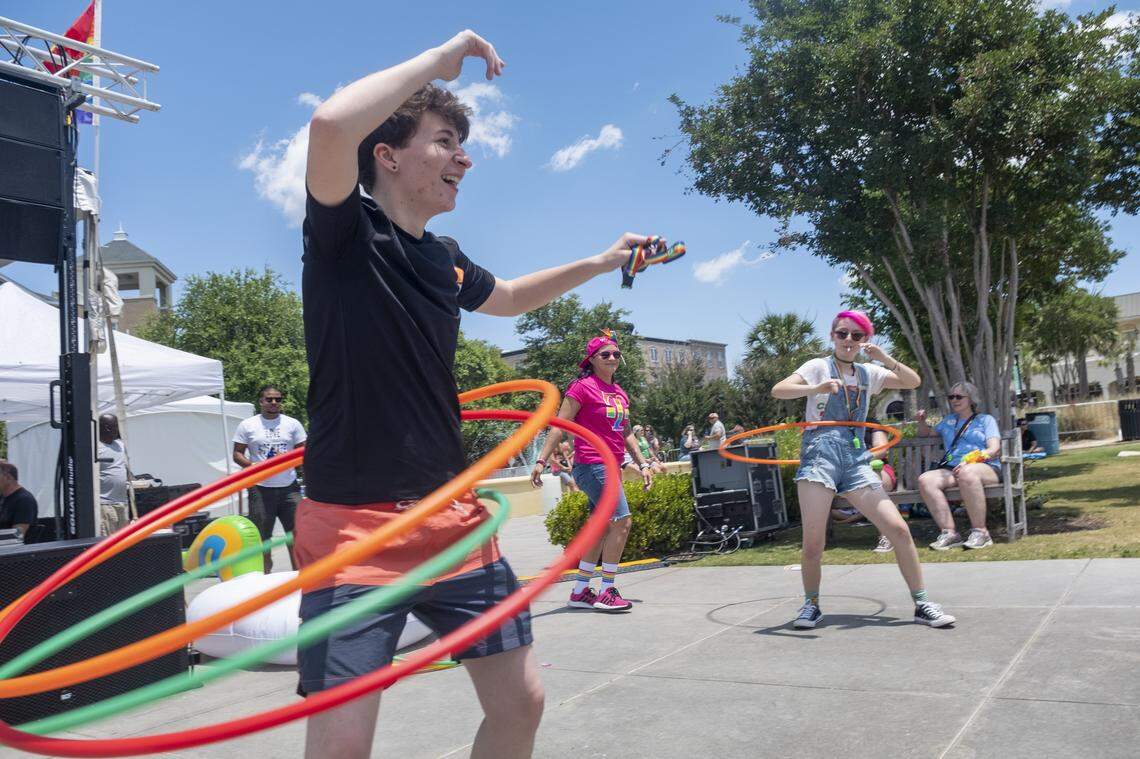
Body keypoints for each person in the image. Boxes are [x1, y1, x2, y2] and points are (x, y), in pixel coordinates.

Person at [296, 30, 663, 759]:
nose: (465, 156)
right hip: (352, 530)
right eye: (445, 139)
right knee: (341, 745)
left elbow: (517, 297)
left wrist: (601, 261)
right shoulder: (344, 235)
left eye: (465, 142)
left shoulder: (446, 259)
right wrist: (443, 58)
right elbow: (331, 126)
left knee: (522, 700)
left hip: (454, 520)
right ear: (388, 155)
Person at [771, 309, 955, 629]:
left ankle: (922, 603)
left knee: (898, 529)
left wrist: (884, 357)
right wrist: (815, 389)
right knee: (814, 543)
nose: (848, 341)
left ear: (864, 340)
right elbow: (779, 389)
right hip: (819, 455)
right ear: (832, 335)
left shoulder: (870, 373)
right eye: (842, 333)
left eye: (857, 336)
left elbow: (913, 381)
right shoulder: (817, 367)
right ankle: (811, 605)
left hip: (855, 458)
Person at [531, 333, 654, 614]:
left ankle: (580, 591)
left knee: (600, 529)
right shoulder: (582, 387)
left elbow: (626, 434)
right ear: (592, 360)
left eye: (616, 354)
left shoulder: (620, 392)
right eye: (605, 354)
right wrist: (541, 459)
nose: (613, 358)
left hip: (610, 465)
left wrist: (644, 463)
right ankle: (607, 590)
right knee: (622, 522)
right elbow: (560, 425)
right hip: (592, 464)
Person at [917, 382, 1003, 551]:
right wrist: (921, 421)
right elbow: (925, 434)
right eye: (951, 397)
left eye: (959, 396)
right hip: (954, 469)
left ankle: (981, 533)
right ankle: (949, 533)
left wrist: (970, 460)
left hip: (985, 467)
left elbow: (994, 449)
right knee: (925, 480)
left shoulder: (985, 420)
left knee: (968, 472)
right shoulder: (948, 421)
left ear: (971, 399)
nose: (954, 400)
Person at [233, 385, 307, 572]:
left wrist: (304, 473)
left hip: (289, 487)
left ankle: (299, 576)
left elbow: (304, 452)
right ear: (261, 402)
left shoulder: (292, 424)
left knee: (296, 534)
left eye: (278, 399)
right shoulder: (248, 425)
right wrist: (252, 465)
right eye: (269, 399)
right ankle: (265, 576)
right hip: (261, 487)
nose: (274, 403)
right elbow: (237, 454)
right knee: (262, 536)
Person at [97, 414, 131, 536]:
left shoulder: (120, 445)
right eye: (116, 426)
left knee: (123, 542)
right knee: (107, 540)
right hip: (105, 504)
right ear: (107, 428)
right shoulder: (95, 447)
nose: (118, 429)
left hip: (122, 503)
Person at [0, 461, 37, 538]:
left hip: (15, 549)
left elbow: (18, 535)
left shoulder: (24, 500)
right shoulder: (2, 497)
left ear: (8, 478)